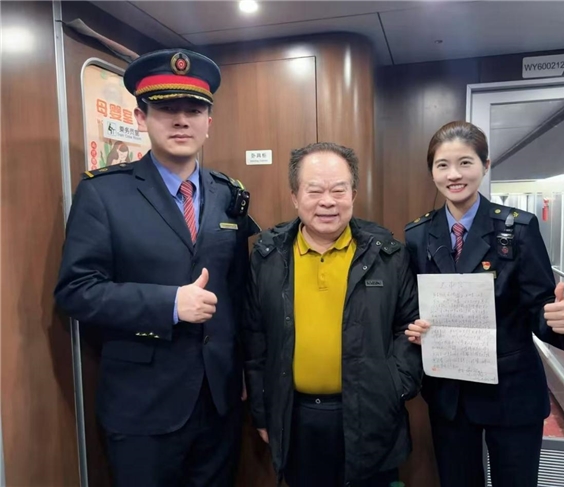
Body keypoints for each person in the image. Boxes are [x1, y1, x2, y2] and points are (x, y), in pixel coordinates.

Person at [55, 48, 259, 487]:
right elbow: (76, 291)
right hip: (142, 406)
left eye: (194, 110)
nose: (181, 121)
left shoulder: (228, 194)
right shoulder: (104, 194)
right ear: (141, 116)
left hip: (218, 400)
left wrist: (244, 371)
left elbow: (240, 291)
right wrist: (169, 304)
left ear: (209, 121)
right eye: (167, 109)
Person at [404, 121, 564, 487]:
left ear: (485, 165)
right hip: (451, 394)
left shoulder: (518, 229)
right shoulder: (418, 234)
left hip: (511, 391)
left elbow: (541, 306)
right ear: (432, 172)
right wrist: (415, 327)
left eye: (465, 163)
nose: (454, 175)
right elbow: (413, 306)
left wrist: (562, 321)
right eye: (442, 165)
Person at [243, 142, 422, 487]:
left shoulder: (388, 255)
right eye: (314, 190)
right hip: (296, 419)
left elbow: (409, 327)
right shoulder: (267, 257)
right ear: (295, 197)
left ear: (353, 195)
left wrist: (393, 388)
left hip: (373, 416)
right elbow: (255, 338)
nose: (328, 201)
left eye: (339, 190)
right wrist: (263, 413)